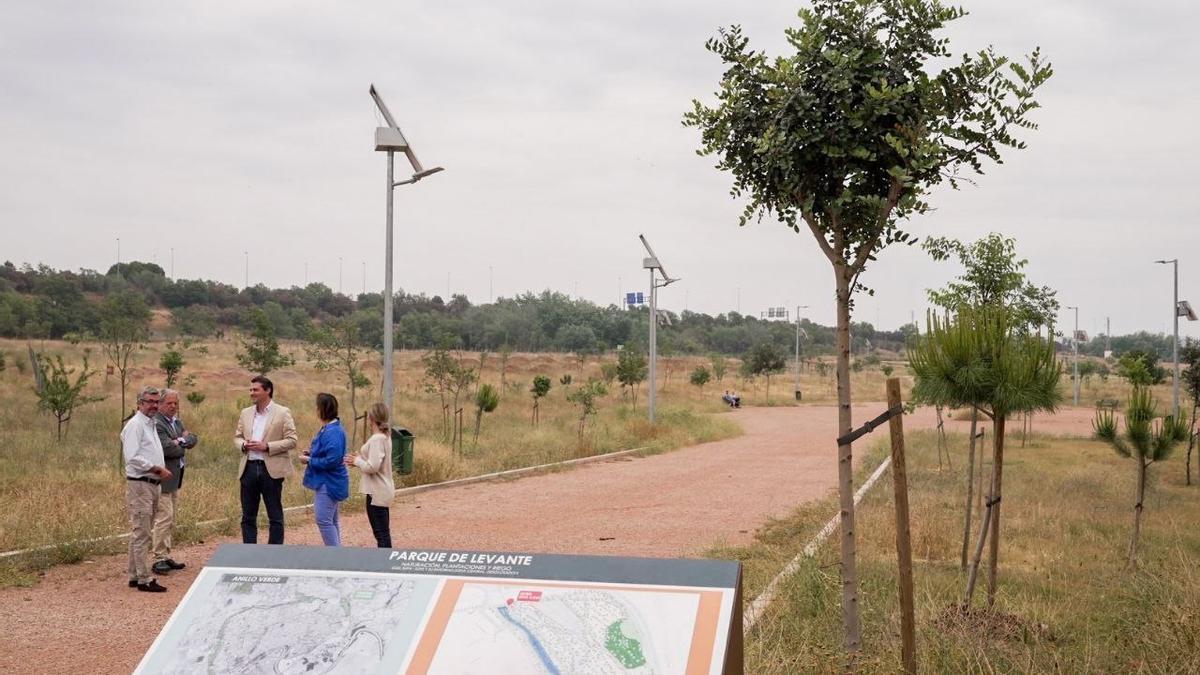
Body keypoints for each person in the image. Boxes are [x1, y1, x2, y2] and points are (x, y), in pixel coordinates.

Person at [234, 375, 297, 545]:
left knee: (274, 515)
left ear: (267, 390)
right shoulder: (245, 413)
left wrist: (267, 446)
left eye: (255, 389)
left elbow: (292, 440)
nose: (251, 393)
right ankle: (250, 552)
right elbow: (237, 437)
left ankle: (273, 554)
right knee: (247, 516)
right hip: (248, 468)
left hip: (271, 470)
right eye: (250, 390)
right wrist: (243, 445)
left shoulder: (283, 412)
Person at [121, 386, 173, 592]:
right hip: (141, 483)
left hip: (152, 483)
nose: (153, 405)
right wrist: (157, 469)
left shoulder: (150, 424)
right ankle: (143, 578)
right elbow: (132, 457)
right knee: (142, 531)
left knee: (142, 530)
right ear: (139, 403)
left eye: (156, 401)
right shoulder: (136, 425)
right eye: (149, 401)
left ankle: (134, 574)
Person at [151, 389, 198, 575]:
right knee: (164, 517)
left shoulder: (176, 421)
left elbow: (193, 439)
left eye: (175, 403)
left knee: (170, 518)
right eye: (169, 403)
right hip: (162, 477)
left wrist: (180, 441)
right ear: (160, 404)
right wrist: (181, 441)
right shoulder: (157, 423)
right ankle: (159, 558)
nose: (173, 406)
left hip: (175, 477)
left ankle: (166, 554)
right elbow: (166, 449)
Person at [300, 393, 349, 546]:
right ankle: (337, 554)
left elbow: (332, 460)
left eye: (318, 407)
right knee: (332, 520)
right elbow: (330, 453)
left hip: (328, 482)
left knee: (323, 520)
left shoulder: (332, 432)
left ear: (322, 409)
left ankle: (334, 557)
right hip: (331, 481)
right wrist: (312, 453)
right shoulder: (329, 429)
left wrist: (309, 460)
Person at [345, 403, 395, 548]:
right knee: (383, 533)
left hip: (376, 492)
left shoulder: (377, 439)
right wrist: (360, 460)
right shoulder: (385, 437)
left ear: (371, 417)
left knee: (381, 535)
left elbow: (373, 467)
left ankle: (384, 567)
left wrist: (357, 460)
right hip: (382, 489)